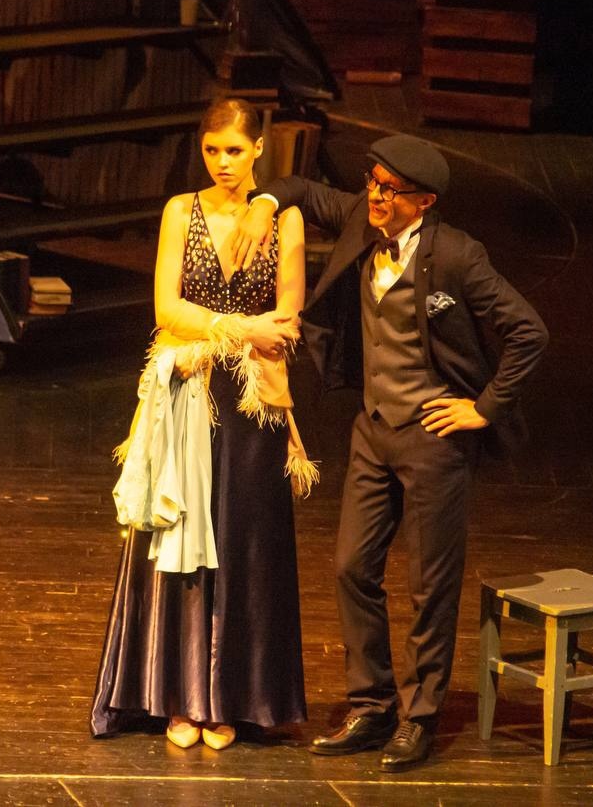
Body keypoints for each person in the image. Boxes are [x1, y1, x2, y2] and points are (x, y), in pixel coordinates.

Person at [234, 134, 548, 771]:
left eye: (390, 189)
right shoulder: (361, 216)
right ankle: (372, 705)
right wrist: (264, 203)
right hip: (373, 429)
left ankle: (420, 717)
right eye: (373, 182)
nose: (375, 195)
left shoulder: (457, 256)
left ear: (423, 202)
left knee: (430, 584)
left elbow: (529, 332)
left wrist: (483, 408)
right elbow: (299, 189)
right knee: (352, 566)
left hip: (434, 438)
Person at [91, 99, 315, 751]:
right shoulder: (180, 211)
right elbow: (166, 309)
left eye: (235, 150)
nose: (223, 162)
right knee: (180, 539)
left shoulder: (284, 218)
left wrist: (228, 328)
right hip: (187, 392)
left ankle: (233, 701)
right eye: (213, 149)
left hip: (251, 403)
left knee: (244, 545)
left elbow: (286, 322)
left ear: (258, 149)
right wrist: (239, 328)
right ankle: (178, 697)